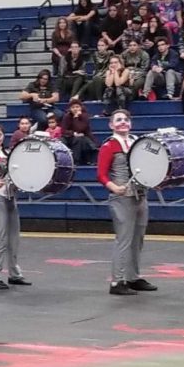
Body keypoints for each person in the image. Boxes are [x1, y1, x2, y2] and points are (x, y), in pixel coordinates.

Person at [96, 109, 158, 296]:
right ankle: (117, 281)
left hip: (140, 195)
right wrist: (113, 187)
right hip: (122, 197)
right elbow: (101, 173)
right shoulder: (109, 145)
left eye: (126, 119)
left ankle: (133, 277)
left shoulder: (136, 143)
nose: (123, 122)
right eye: (119, 120)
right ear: (111, 125)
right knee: (123, 240)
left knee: (137, 239)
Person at [0, 123, 28, 290]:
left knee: (14, 238)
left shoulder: (8, 153)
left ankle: (14, 274)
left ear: (3, 136)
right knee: (0, 237)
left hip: (10, 196)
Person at [61, 99, 98, 165]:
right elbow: (63, 130)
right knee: (62, 140)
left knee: (78, 139)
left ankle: (76, 161)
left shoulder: (85, 116)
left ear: (81, 107)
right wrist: (73, 133)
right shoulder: (67, 116)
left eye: (77, 107)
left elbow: (79, 129)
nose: (75, 109)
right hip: (71, 136)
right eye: (73, 107)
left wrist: (75, 117)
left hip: (84, 137)